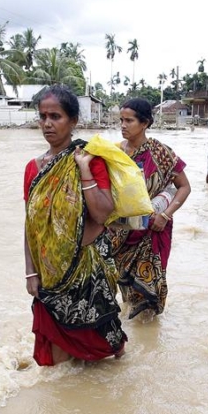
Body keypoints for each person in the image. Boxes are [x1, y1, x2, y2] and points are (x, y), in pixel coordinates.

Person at [23, 85, 127, 366]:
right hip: (50, 273)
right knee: (57, 360)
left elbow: (103, 213)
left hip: (88, 270)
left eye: (55, 116)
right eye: (42, 116)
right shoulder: (34, 168)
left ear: (73, 121)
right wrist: (30, 273)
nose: (47, 123)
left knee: (108, 350)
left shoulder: (89, 159)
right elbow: (31, 226)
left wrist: (83, 170)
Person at [109, 98, 191, 320]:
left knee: (149, 289)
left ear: (144, 123)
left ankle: (149, 330)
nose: (123, 125)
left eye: (129, 120)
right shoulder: (114, 153)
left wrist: (165, 214)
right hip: (121, 232)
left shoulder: (162, 154)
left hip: (154, 228)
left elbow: (184, 187)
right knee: (123, 286)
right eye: (121, 120)